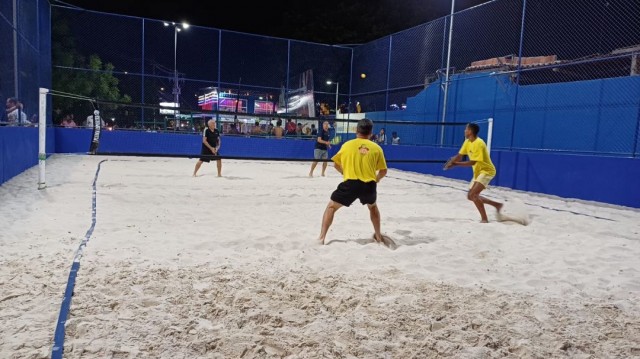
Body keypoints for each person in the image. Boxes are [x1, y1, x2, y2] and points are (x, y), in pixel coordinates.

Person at [318, 118, 388, 245]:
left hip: (350, 184)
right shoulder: (377, 148)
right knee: (373, 208)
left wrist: (345, 173)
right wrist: (376, 180)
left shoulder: (347, 145)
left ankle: (321, 238)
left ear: (357, 130)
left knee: (331, 207)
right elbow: (383, 171)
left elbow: (336, 164)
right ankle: (378, 236)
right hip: (369, 185)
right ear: (371, 132)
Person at [445, 122, 502, 223]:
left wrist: (455, 164)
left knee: (474, 195)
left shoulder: (479, 143)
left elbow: (473, 162)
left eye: (466, 129)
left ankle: (484, 219)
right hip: (478, 172)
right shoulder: (467, 142)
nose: (464, 131)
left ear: (470, 131)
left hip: (487, 171)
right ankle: (497, 205)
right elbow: (459, 155)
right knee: (470, 196)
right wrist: (451, 161)